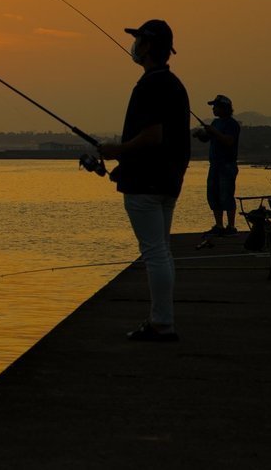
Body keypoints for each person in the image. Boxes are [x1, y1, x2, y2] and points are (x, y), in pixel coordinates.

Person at [98, 19, 190, 342]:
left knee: (154, 253)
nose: (135, 45)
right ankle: (162, 319)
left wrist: (115, 150)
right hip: (168, 182)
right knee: (162, 251)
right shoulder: (175, 85)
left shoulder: (150, 86)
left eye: (138, 39)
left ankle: (162, 323)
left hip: (147, 184)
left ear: (148, 45)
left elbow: (153, 136)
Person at [194, 94, 240, 236]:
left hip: (227, 165)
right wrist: (200, 134)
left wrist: (214, 132)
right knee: (213, 195)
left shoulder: (232, 124)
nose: (213, 109)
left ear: (224, 108)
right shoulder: (215, 123)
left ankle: (231, 227)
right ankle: (219, 226)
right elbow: (206, 139)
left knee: (227, 195)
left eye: (216, 106)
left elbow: (228, 141)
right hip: (214, 165)